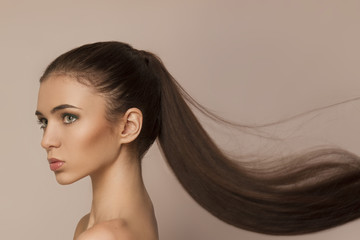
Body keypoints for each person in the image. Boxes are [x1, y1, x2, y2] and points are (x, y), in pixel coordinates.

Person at [35, 41, 360, 240]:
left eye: (69, 117)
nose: (47, 139)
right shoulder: (111, 224)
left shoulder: (105, 235)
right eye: (43, 121)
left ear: (128, 126)